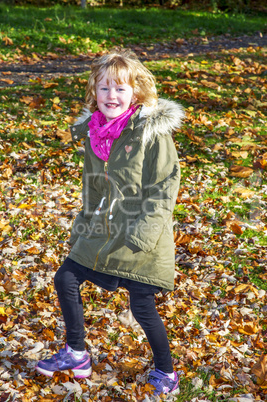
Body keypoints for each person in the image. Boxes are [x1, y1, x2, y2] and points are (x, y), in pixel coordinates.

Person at [36, 49, 184, 397]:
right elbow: (93, 186)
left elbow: (166, 185)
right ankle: (77, 353)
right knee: (66, 277)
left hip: (141, 233)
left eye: (120, 88)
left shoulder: (150, 132)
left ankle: (167, 371)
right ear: (94, 92)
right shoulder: (94, 133)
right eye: (104, 89)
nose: (111, 96)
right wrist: (83, 226)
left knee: (142, 306)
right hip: (103, 229)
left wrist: (143, 232)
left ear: (137, 92)